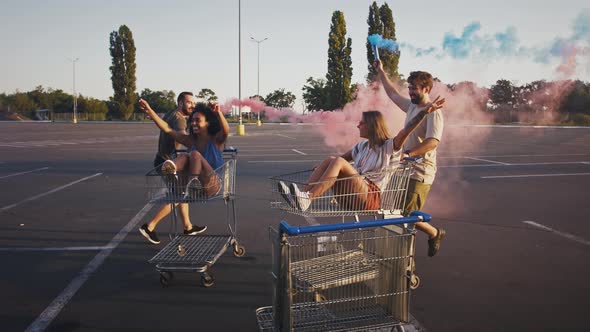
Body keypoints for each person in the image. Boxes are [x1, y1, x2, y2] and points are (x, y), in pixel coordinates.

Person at [281, 100, 444, 214]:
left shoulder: (389, 147)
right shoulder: (362, 147)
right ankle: (302, 196)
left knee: (338, 161)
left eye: (362, 123)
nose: (358, 125)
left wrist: (423, 113)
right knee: (332, 159)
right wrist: (322, 169)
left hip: (369, 197)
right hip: (351, 194)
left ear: (372, 126)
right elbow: (338, 160)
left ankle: (308, 198)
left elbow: (406, 130)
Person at [374, 59, 446, 257]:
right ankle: (432, 234)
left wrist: (408, 153)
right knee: (401, 214)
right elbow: (392, 94)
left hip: (421, 172)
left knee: (404, 218)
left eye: (414, 88)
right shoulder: (413, 106)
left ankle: (407, 262)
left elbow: (433, 141)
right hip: (405, 169)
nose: (410, 92)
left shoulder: (433, 112)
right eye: (409, 88)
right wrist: (381, 71)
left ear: (426, 88)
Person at [138, 98, 229, 244]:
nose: (193, 123)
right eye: (192, 120)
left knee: (194, 155)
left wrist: (219, 114)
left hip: (212, 184)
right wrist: (149, 110)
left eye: (197, 120)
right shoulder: (191, 140)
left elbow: (226, 130)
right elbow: (167, 129)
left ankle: (190, 182)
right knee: (185, 156)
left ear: (208, 123)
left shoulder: (216, 140)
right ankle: (171, 168)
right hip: (196, 187)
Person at [139, 92, 201, 244]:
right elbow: (182, 137)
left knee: (181, 192)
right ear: (180, 102)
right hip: (168, 163)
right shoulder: (180, 120)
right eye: (189, 102)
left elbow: (162, 124)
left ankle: (188, 226)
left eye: (193, 103)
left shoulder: (172, 114)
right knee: (178, 195)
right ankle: (150, 226)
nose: (192, 105)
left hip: (163, 160)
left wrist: (149, 110)